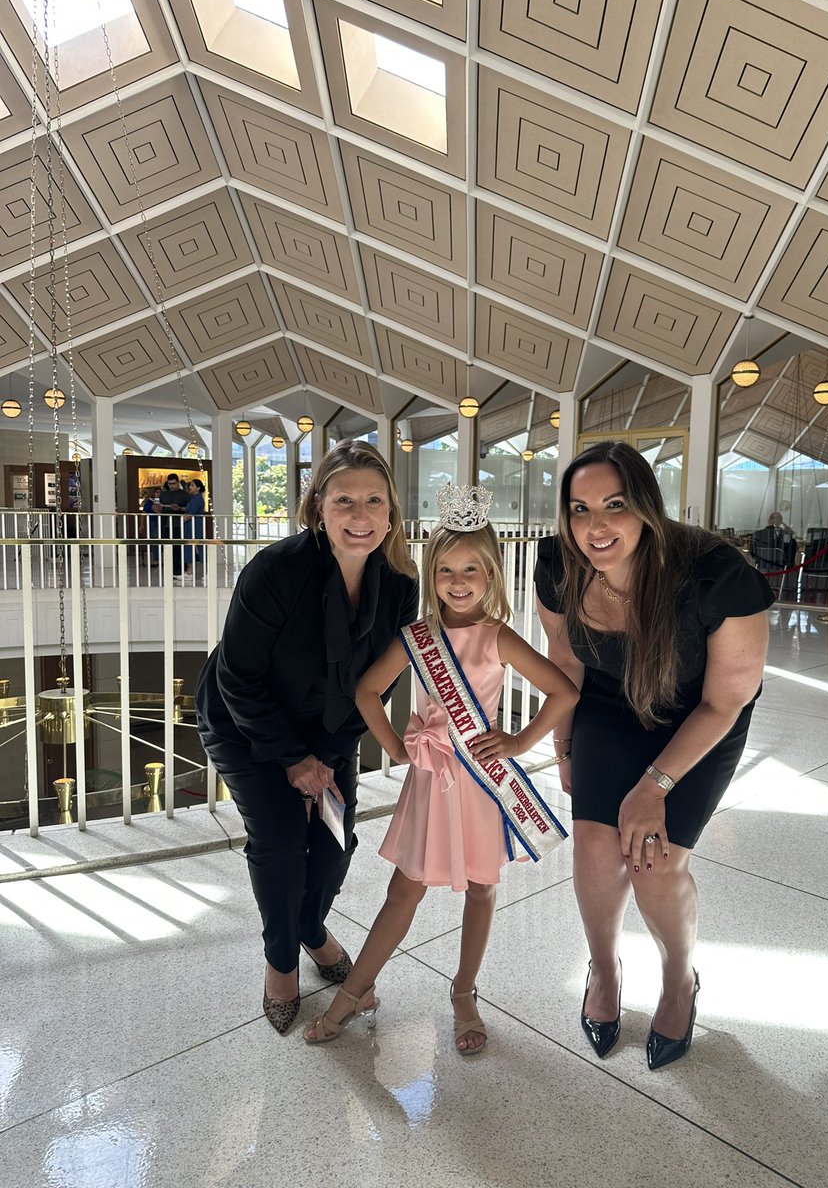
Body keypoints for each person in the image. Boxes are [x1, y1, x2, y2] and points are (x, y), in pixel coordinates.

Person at [304, 486, 578, 1052]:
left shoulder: (497, 636)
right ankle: (356, 992)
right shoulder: (418, 637)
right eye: (447, 568)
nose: (459, 580)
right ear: (432, 574)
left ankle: (464, 991)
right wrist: (400, 750)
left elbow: (563, 691)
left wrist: (521, 742)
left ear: (492, 574)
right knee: (403, 893)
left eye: (472, 568)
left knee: (481, 890)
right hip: (430, 783)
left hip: (480, 785)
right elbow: (366, 691)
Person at [534, 441, 773, 1070]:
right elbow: (565, 658)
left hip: (696, 717)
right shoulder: (559, 561)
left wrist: (653, 786)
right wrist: (564, 743)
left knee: (655, 863)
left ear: (646, 505)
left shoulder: (715, 573)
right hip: (609, 705)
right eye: (580, 510)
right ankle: (604, 970)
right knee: (593, 847)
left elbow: (726, 702)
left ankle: (677, 979)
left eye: (614, 505)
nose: (596, 526)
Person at [196, 440, 419, 1035]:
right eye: (344, 499)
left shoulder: (399, 585)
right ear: (317, 505)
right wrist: (292, 760)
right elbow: (237, 678)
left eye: (374, 500)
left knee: (333, 842)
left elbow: (381, 682)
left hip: (329, 733)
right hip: (247, 726)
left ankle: (312, 930)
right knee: (278, 841)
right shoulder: (274, 572)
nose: (360, 515)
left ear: (391, 511)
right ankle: (281, 965)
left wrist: (323, 755)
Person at [156, 473, 189, 576]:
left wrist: (180, 508)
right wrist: (159, 509)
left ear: (178, 482)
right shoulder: (164, 494)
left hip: (179, 524)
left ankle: (180, 568)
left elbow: (189, 509)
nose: (171, 486)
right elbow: (161, 508)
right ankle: (169, 568)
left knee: (179, 547)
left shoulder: (184, 495)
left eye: (173, 484)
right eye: (169, 484)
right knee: (168, 546)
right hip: (166, 524)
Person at [180, 479, 206, 583]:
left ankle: (206, 572)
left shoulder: (198, 499)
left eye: (192, 485)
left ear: (198, 488)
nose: (190, 487)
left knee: (198, 547)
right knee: (188, 547)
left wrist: (184, 518)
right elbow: (188, 510)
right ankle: (189, 571)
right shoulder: (193, 498)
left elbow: (191, 513)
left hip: (195, 526)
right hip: (190, 526)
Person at [142, 487, 161, 566]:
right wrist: (142, 525)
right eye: (157, 492)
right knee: (155, 541)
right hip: (153, 522)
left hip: (162, 522)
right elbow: (144, 513)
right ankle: (156, 559)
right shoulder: (149, 502)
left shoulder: (162, 501)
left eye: (160, 492)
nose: (159, 494)